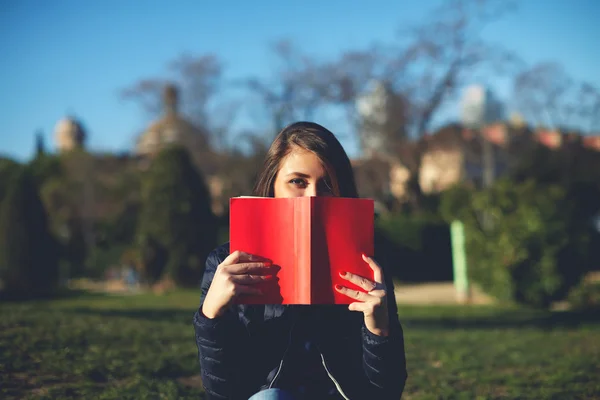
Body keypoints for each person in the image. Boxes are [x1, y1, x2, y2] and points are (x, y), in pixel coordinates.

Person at [193, 122, 407, 400]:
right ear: (272, 184)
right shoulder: (226, 263)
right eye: (298, 182)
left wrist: (379, 330)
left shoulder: (368, 263)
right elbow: (221, 392)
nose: (313, 197)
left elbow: (386, 394)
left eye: (327, 184)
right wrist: (211, 316)